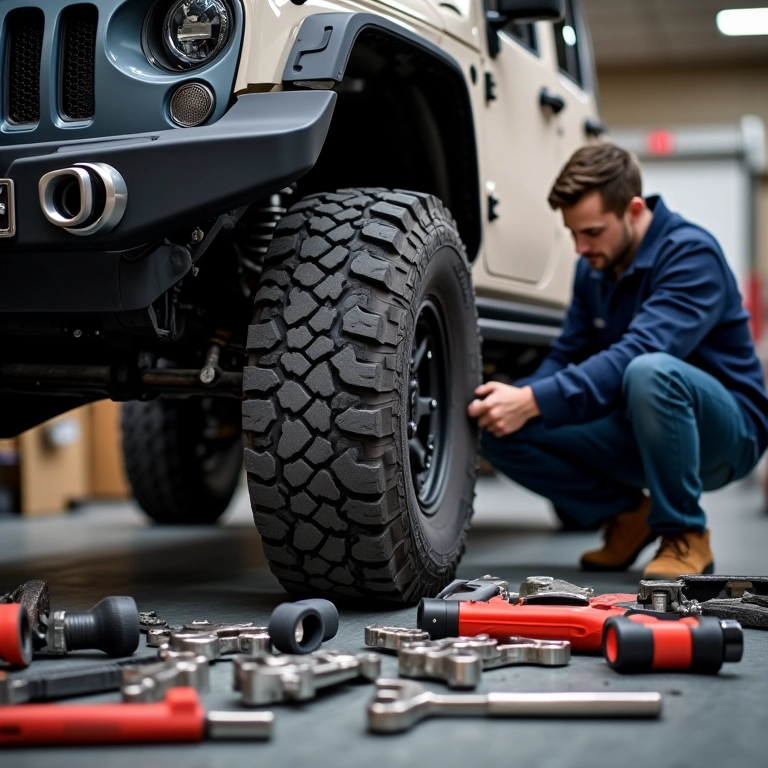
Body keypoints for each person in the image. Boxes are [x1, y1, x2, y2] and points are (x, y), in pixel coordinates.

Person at [468, 143, 768, 578]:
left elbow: (638, 353)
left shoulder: (690, 255)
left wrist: (534, 399)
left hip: (725, 434)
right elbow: (567, 354)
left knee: (649, 371)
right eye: (572, 233)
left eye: (591, 232)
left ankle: (685, 533)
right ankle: (628, 516)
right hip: (641, 424)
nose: (579, 247)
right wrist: (516, 398)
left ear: (632, 210)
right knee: (495, 424)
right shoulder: (593, 267)